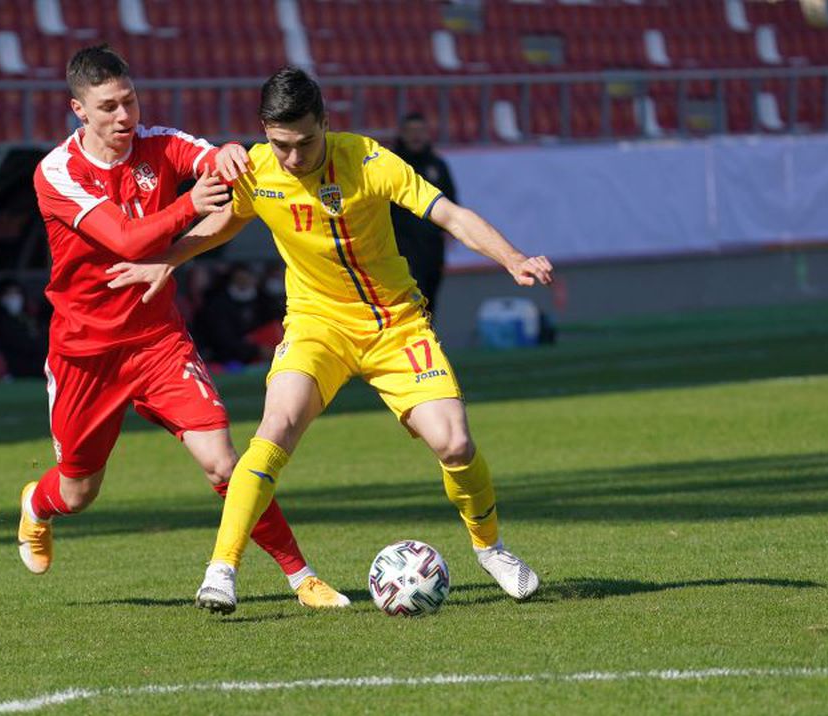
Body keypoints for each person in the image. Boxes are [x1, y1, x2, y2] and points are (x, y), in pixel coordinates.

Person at [106, 67, 555, 615]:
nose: (292, 158)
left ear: (325, 121)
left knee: (455, 443)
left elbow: (450, 214)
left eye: (304, 142)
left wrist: (512, 258)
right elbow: (224, 222)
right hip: (317, 326)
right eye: (280, 145)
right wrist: (167, 260)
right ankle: (221, 570)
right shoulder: (258, 168)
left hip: (397, 325)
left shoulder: (368, 161)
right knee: (275, 429)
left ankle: (492, 550)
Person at [22, 46, 348, 609]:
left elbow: (210, 157)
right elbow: (126, 240)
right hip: (85, 354)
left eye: (130, 101)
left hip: (157, 342)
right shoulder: (56, 172)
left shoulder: (160, 143)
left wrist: (225, 156)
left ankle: (301, 577)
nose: (124, 117)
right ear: (78, 110)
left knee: (225, 461)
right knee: (77, 491)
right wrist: (189, 206)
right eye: (108, 108)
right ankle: (37, 505)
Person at [390, 112, 456, 318]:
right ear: (402, 134)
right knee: (407, 303)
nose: (416, 136)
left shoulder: (437, 165)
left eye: (420, 131)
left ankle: (427, 344)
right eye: (411, 132)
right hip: (399, 247)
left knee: (430, 300)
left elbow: (451, 202)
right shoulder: (390, 165)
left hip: (431, 247)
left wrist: (448, 231)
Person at [0, 278, 48, 378]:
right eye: (9, 294)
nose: (14, 297)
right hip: (18, 369)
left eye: (17, 293)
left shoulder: (26, 318)